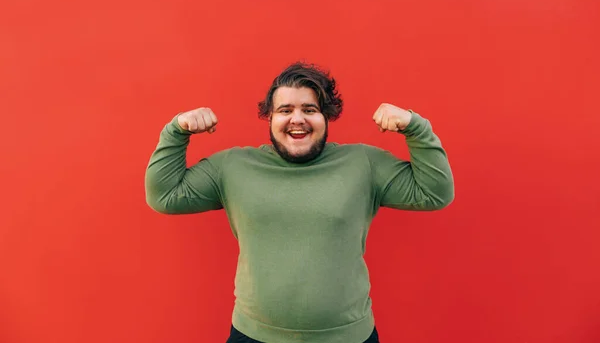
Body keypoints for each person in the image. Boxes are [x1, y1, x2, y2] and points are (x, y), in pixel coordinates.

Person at [145, 62, 455, 343]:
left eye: (309, 109)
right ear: (270, 117)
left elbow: (435, 192)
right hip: (254, 336)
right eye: (285, 110)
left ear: (325, 117)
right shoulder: (233, 166)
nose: (297, 119)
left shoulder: (364, 163)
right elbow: (164, 195)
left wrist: (416, 128)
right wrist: (176, 131)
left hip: (348, 338)